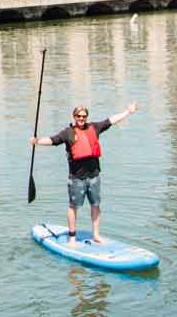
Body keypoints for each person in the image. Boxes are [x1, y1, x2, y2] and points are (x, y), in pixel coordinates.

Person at [29, 102, 138, 245]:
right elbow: (53, 140)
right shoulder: (67, 133)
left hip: (94, 176)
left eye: (84, 116)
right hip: (76, 178)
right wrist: (37, 141)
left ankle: (96, 235)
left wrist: (128, 111)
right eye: (79, 116)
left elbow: (111, 120)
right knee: (74, 206)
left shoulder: (94, 127)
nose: (81, 118)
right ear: (74, 117)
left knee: (96, 205)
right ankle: (72, 237)